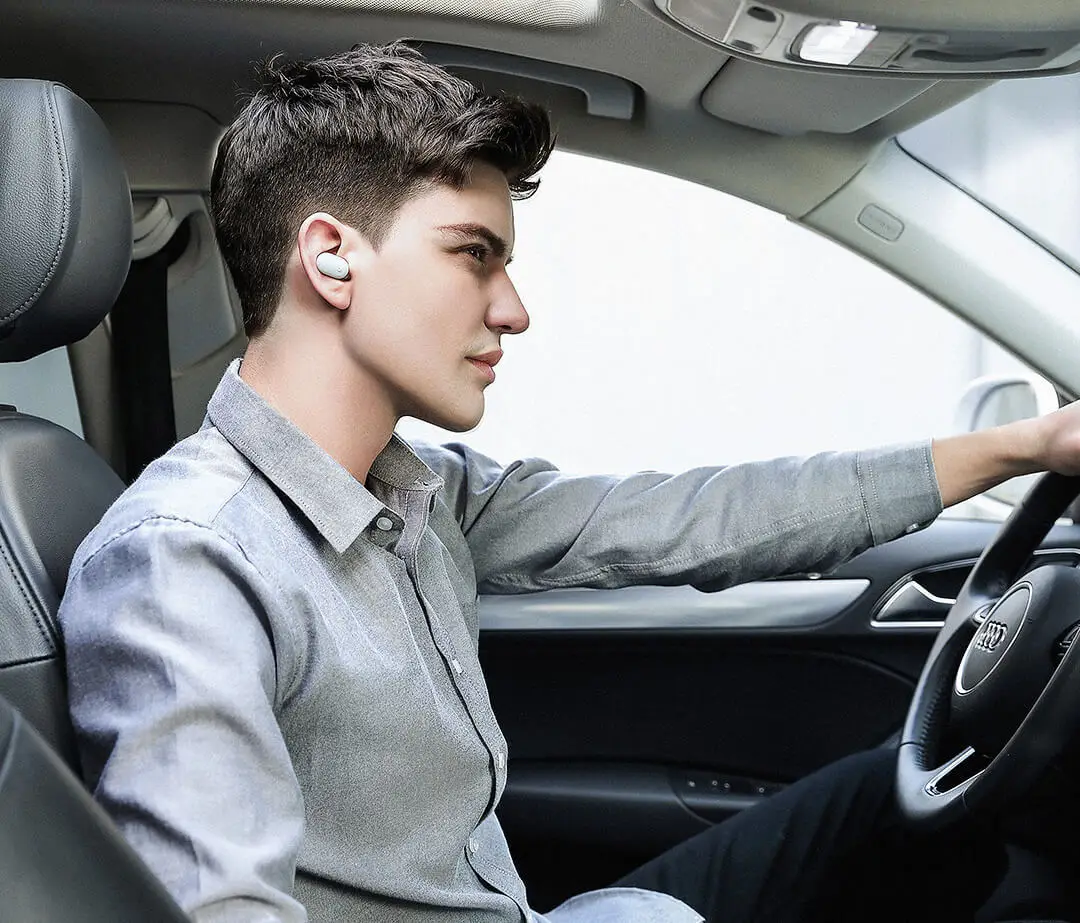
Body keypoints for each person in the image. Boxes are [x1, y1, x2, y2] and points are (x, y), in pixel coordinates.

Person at [58, 42, 1080, 923]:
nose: (514, 310)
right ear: (331, 258)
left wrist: (1022, 446)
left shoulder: (422, 494)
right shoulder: (188, 560)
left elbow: (693, 519)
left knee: (884, 799)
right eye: (474, 254)